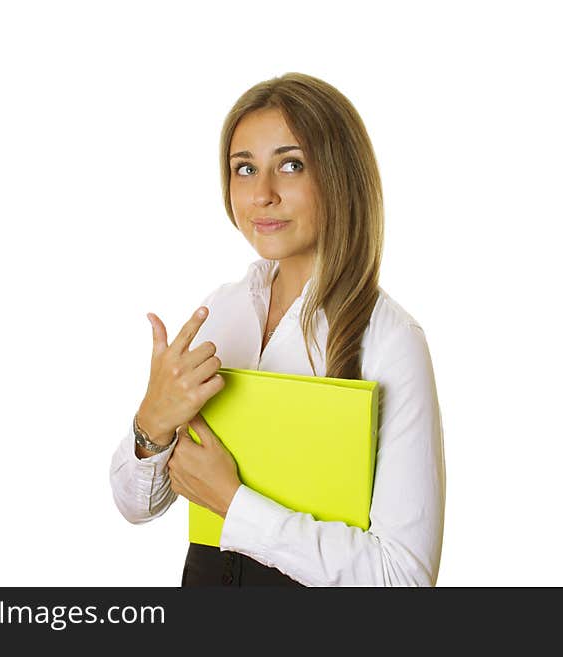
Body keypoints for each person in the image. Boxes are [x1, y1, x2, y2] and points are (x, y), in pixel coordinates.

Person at [109, 72, 445, 586]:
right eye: (244, 169)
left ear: (339, 176)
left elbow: (402, 579)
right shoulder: (220, 313)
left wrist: (234, 503)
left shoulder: (389, 339)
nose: (261, 194)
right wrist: (150, 429)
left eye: (290, 165)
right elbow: (138, 508)